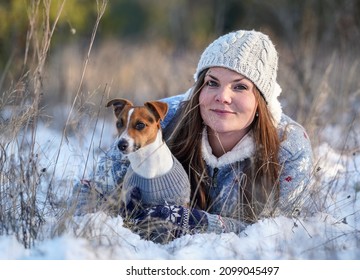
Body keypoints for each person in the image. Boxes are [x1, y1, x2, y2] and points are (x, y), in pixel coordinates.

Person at [70, 30, 313, 243]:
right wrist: (117, 221)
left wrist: (196, 222)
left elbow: (279, 232)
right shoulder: (159, 119)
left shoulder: (290, 146)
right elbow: (92, 191)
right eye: (212, 83)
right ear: (199, 87)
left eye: (240, 87)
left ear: (262, 99)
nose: (223, 96)